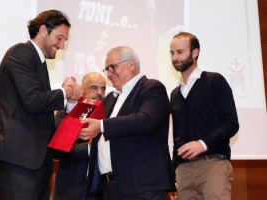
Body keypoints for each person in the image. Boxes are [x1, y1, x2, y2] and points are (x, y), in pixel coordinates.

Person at [0, 10, 84, 200]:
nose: (61, 46)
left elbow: (41, 108)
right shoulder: (20, 53)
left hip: (35, 164)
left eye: (64, 41)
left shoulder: (40, 62)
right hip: (17, 159)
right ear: (43, 29)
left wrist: (68, 101)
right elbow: (32, 101)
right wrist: (67, 92)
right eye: (59, 38)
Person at [78, 46, 176, 200]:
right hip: (109, 187)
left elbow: (146, 120)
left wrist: (102, 125)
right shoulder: (110, 99)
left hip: (142, 185)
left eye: (113, 67)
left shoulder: (151, 87)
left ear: (131, 65)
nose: (109, 73)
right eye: (107, 69)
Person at [169, 32, 239, 200]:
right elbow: (178, 136)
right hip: (183, 172)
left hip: (213, 164)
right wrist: (173, 174)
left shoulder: (214, 81)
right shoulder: (174, 94)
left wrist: (203, 144)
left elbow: (231, 124)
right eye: (172, 53)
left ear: (195, 53)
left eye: (180, 52)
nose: (175, 57)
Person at [53, 72, 106, 200]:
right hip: (71, 189)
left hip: (101, 191)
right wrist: (92, 148)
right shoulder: (65, 114)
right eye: (94, 88)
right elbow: (60, 149)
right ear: (83, 90)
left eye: (103, 89)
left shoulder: (111, 114)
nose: (99, 92)